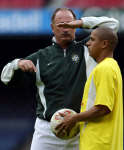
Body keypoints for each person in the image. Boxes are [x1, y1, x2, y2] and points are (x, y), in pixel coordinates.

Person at [1, 8, 119, 150]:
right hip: (46, 132)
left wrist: (82, 23)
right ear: (52, 28)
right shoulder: (40, 57)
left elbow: (113, 25)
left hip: (80, 127)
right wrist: (17, 63)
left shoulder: (88, 49)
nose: (65, 29)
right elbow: (4, 77)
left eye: (69, 24)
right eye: (60, 24)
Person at [56, 27, 123, 150]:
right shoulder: (111, 67)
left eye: (92, 39)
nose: (87, 43)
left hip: (99, 143)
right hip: (101, 142)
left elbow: (103, 108)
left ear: (104, 44)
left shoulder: (105, 68)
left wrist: (74, 118)